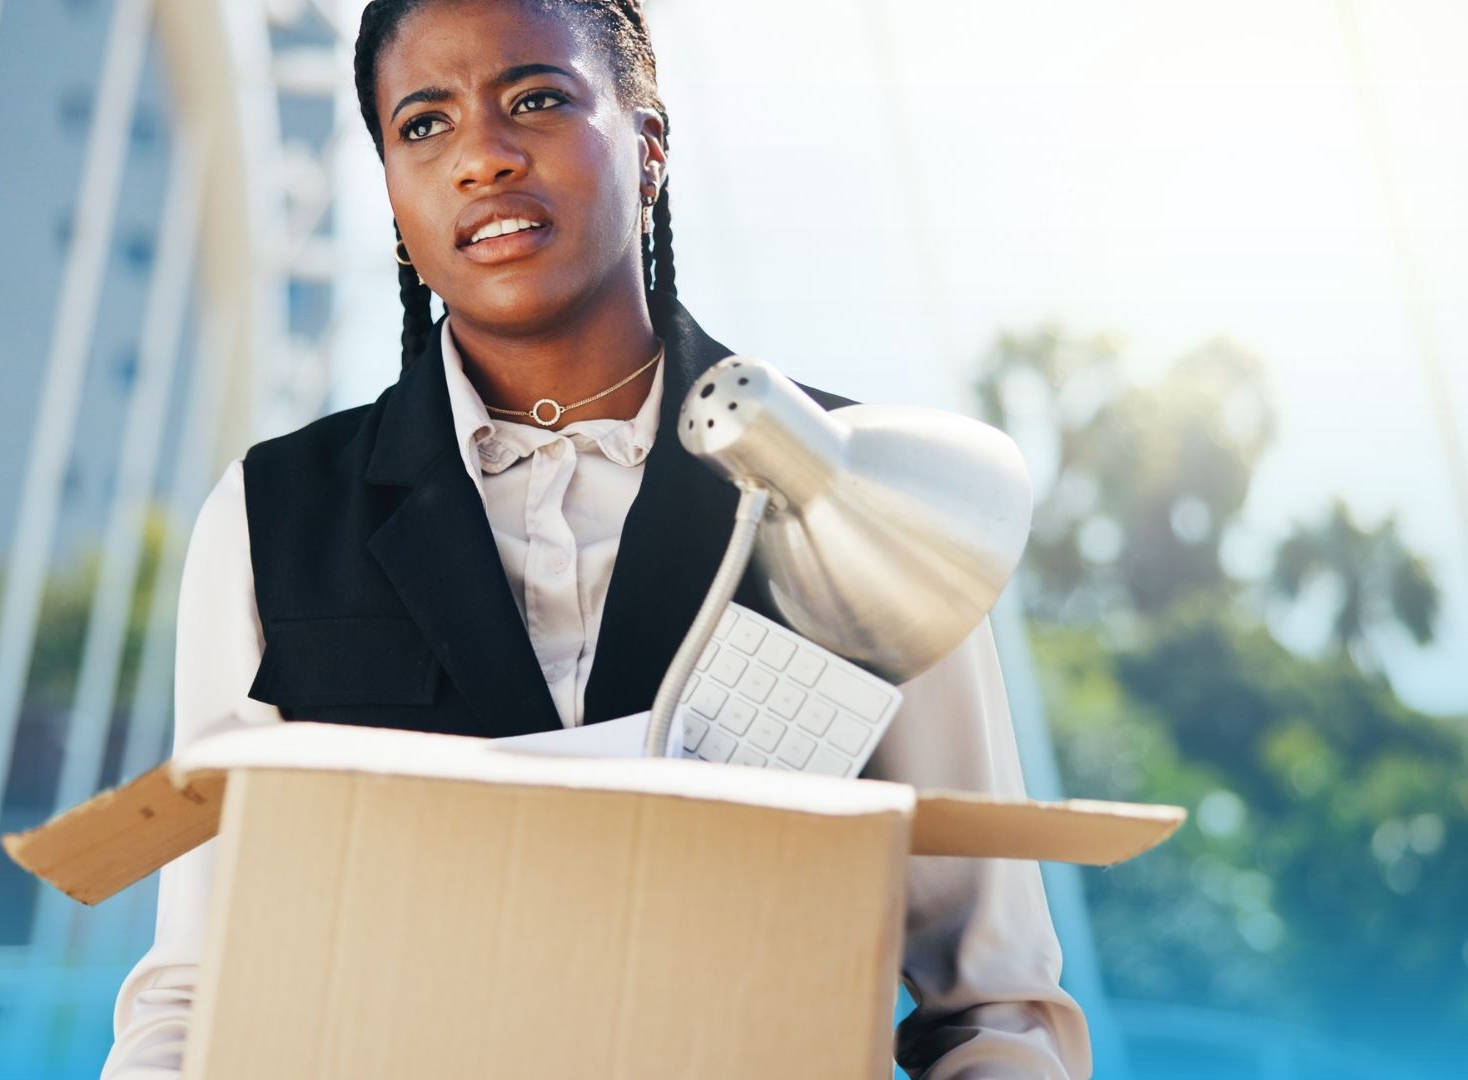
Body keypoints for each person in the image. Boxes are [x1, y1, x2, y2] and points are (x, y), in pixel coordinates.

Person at [103, 1, 1092, 1076]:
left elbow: (990, 1006)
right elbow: (197, 986)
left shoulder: (858, 492)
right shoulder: (271, 515)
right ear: (391, 192)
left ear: (650, 146)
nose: (481, 155)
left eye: (537, 99)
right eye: (424, 126)